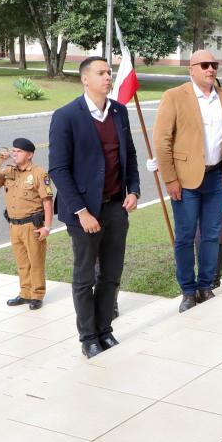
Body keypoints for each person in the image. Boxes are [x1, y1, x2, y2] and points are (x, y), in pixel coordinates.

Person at [49, 56, 140, 359]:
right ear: (85, 79)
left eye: (109, 72)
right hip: (84, 212)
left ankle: (105, 330)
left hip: (116, 206)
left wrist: (135, 190)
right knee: (84, 276)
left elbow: (129, 154)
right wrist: (82, 212)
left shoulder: (119, 112)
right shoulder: (66, 116)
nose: (107, 76)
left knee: (112, 274)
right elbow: (59, 169)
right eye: (101, 72)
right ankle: (88, 336)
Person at [151, 50, 222, 312]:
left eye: (213, 65)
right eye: (204, 65)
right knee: (185, 236)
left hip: (216, 176)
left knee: (212, 234)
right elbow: (162, 140)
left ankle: (206, 286)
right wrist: (170, 179)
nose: (210, 69)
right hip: (184, 179)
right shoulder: (174, 96)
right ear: (191, 69)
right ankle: (188, 291)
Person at [0, 138, 53, 310]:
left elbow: (47, 202)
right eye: (14, 150)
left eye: (19, 151)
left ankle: (37, 295)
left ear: (29, 155)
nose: (14, 153)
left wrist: (47, 227)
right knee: (22, 262)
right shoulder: (9, 171)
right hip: (14, 225)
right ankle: (25, 293)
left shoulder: (39, 173)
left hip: (33, 226)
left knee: (36, 262)